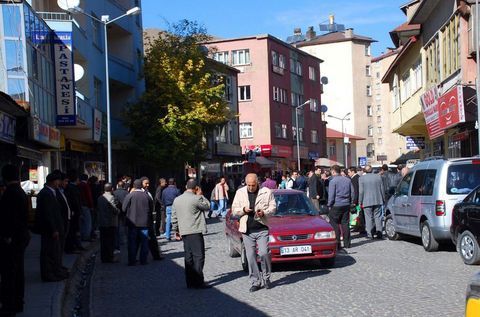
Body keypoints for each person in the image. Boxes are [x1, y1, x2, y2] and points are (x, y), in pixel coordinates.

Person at [231, 173, 276, 292]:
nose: (251, 187)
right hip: (247, 230)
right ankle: (256, 281)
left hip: (261, 228)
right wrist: (243, 210)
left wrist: (264, 212)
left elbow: (273, 208)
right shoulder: (240, 193)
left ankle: (266, 278)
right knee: (250, 256)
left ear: (258, 183)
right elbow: (234, 210)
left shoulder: (266, 192)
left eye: (253, 185)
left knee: (263, 253)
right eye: (249, 185)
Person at [0, 164, 30, 315]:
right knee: (18, 272)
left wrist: (7, 237)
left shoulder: (10, 194)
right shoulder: (20, 192)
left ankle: (10, 305)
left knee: (10, 274)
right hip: (21, 237)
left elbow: (9, 219)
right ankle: (18, 302)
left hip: (13, 240)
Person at [171, 179, 211, 289]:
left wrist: (176, 230)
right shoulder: (196, 198)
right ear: (196, 188)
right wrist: (201, 195)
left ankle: (189, 281)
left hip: (184, 231)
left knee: (188, 257)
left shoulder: (177, 200)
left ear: (185, 186)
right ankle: (198, 281)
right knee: (198, 256)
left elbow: (174, 217)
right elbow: (208, 206)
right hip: (195, 230)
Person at [36, 173, 68, 282]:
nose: (59, 183)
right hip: (49, 229)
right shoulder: (46, 194)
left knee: (54, 251)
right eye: (58, 181)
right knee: (48, 252)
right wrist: (53, 229)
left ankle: (55, 271)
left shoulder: (51, 193)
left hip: (54, 228)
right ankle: (48, 274)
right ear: (53, 181)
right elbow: (48, 214)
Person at [122, 179, 151, 266]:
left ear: (133, 186)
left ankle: (132, 260)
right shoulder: (146, 196)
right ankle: (143, 260)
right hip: (144, 222)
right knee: (144, 242)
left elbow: (123, 208)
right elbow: (151, 207)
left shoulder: (130, 195)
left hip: (132, 222)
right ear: (141, 185)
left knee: (132, 242)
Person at [327, 165, 354, 249]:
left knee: (334, 224)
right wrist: (351, 202)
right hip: (346, 204)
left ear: (334, 171)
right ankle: (347, 243)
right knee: (345, 224)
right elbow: (352, 192)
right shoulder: (347, 180)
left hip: (336, 204)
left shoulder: (333, 181)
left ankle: (337, 244)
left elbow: (331, 195)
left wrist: (329, 204)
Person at [359, 165, 385, 240]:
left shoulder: (361, 178)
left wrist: (360, 201)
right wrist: (383, 198)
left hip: (366, 200)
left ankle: (370, 234)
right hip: (378, 199)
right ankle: (379, 233)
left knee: (368, 218)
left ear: (365, 170)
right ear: (372, 170)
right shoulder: (378, 177)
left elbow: (361, 192)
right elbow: (382, 189)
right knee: (378, 217)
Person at [140, 177, 162, 260]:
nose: (148, 185)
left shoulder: (148, 192)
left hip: (149, 219)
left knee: (152, 239)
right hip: (142, 220)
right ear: (141, 183)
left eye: (148, 183)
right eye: (146, 183)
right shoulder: (138, 193)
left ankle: (156, 256)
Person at [97, 183, 120, 263]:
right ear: (112, 189)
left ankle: (104, 258)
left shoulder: (100, 198)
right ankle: (110, 257)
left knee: (103, 241)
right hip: (110, 222)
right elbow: (115, 210)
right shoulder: (111, 198)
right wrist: (118, 211)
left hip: (102, 222)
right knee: (110, 241)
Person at [78, 174, 93, 241]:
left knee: (81, 222)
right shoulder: (85, 185)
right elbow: (88, 196)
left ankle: (82, 235)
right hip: (85, 205)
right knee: (87, 222)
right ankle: (86, 236)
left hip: (79, 205)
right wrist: (91, 205)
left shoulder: (78, 185)